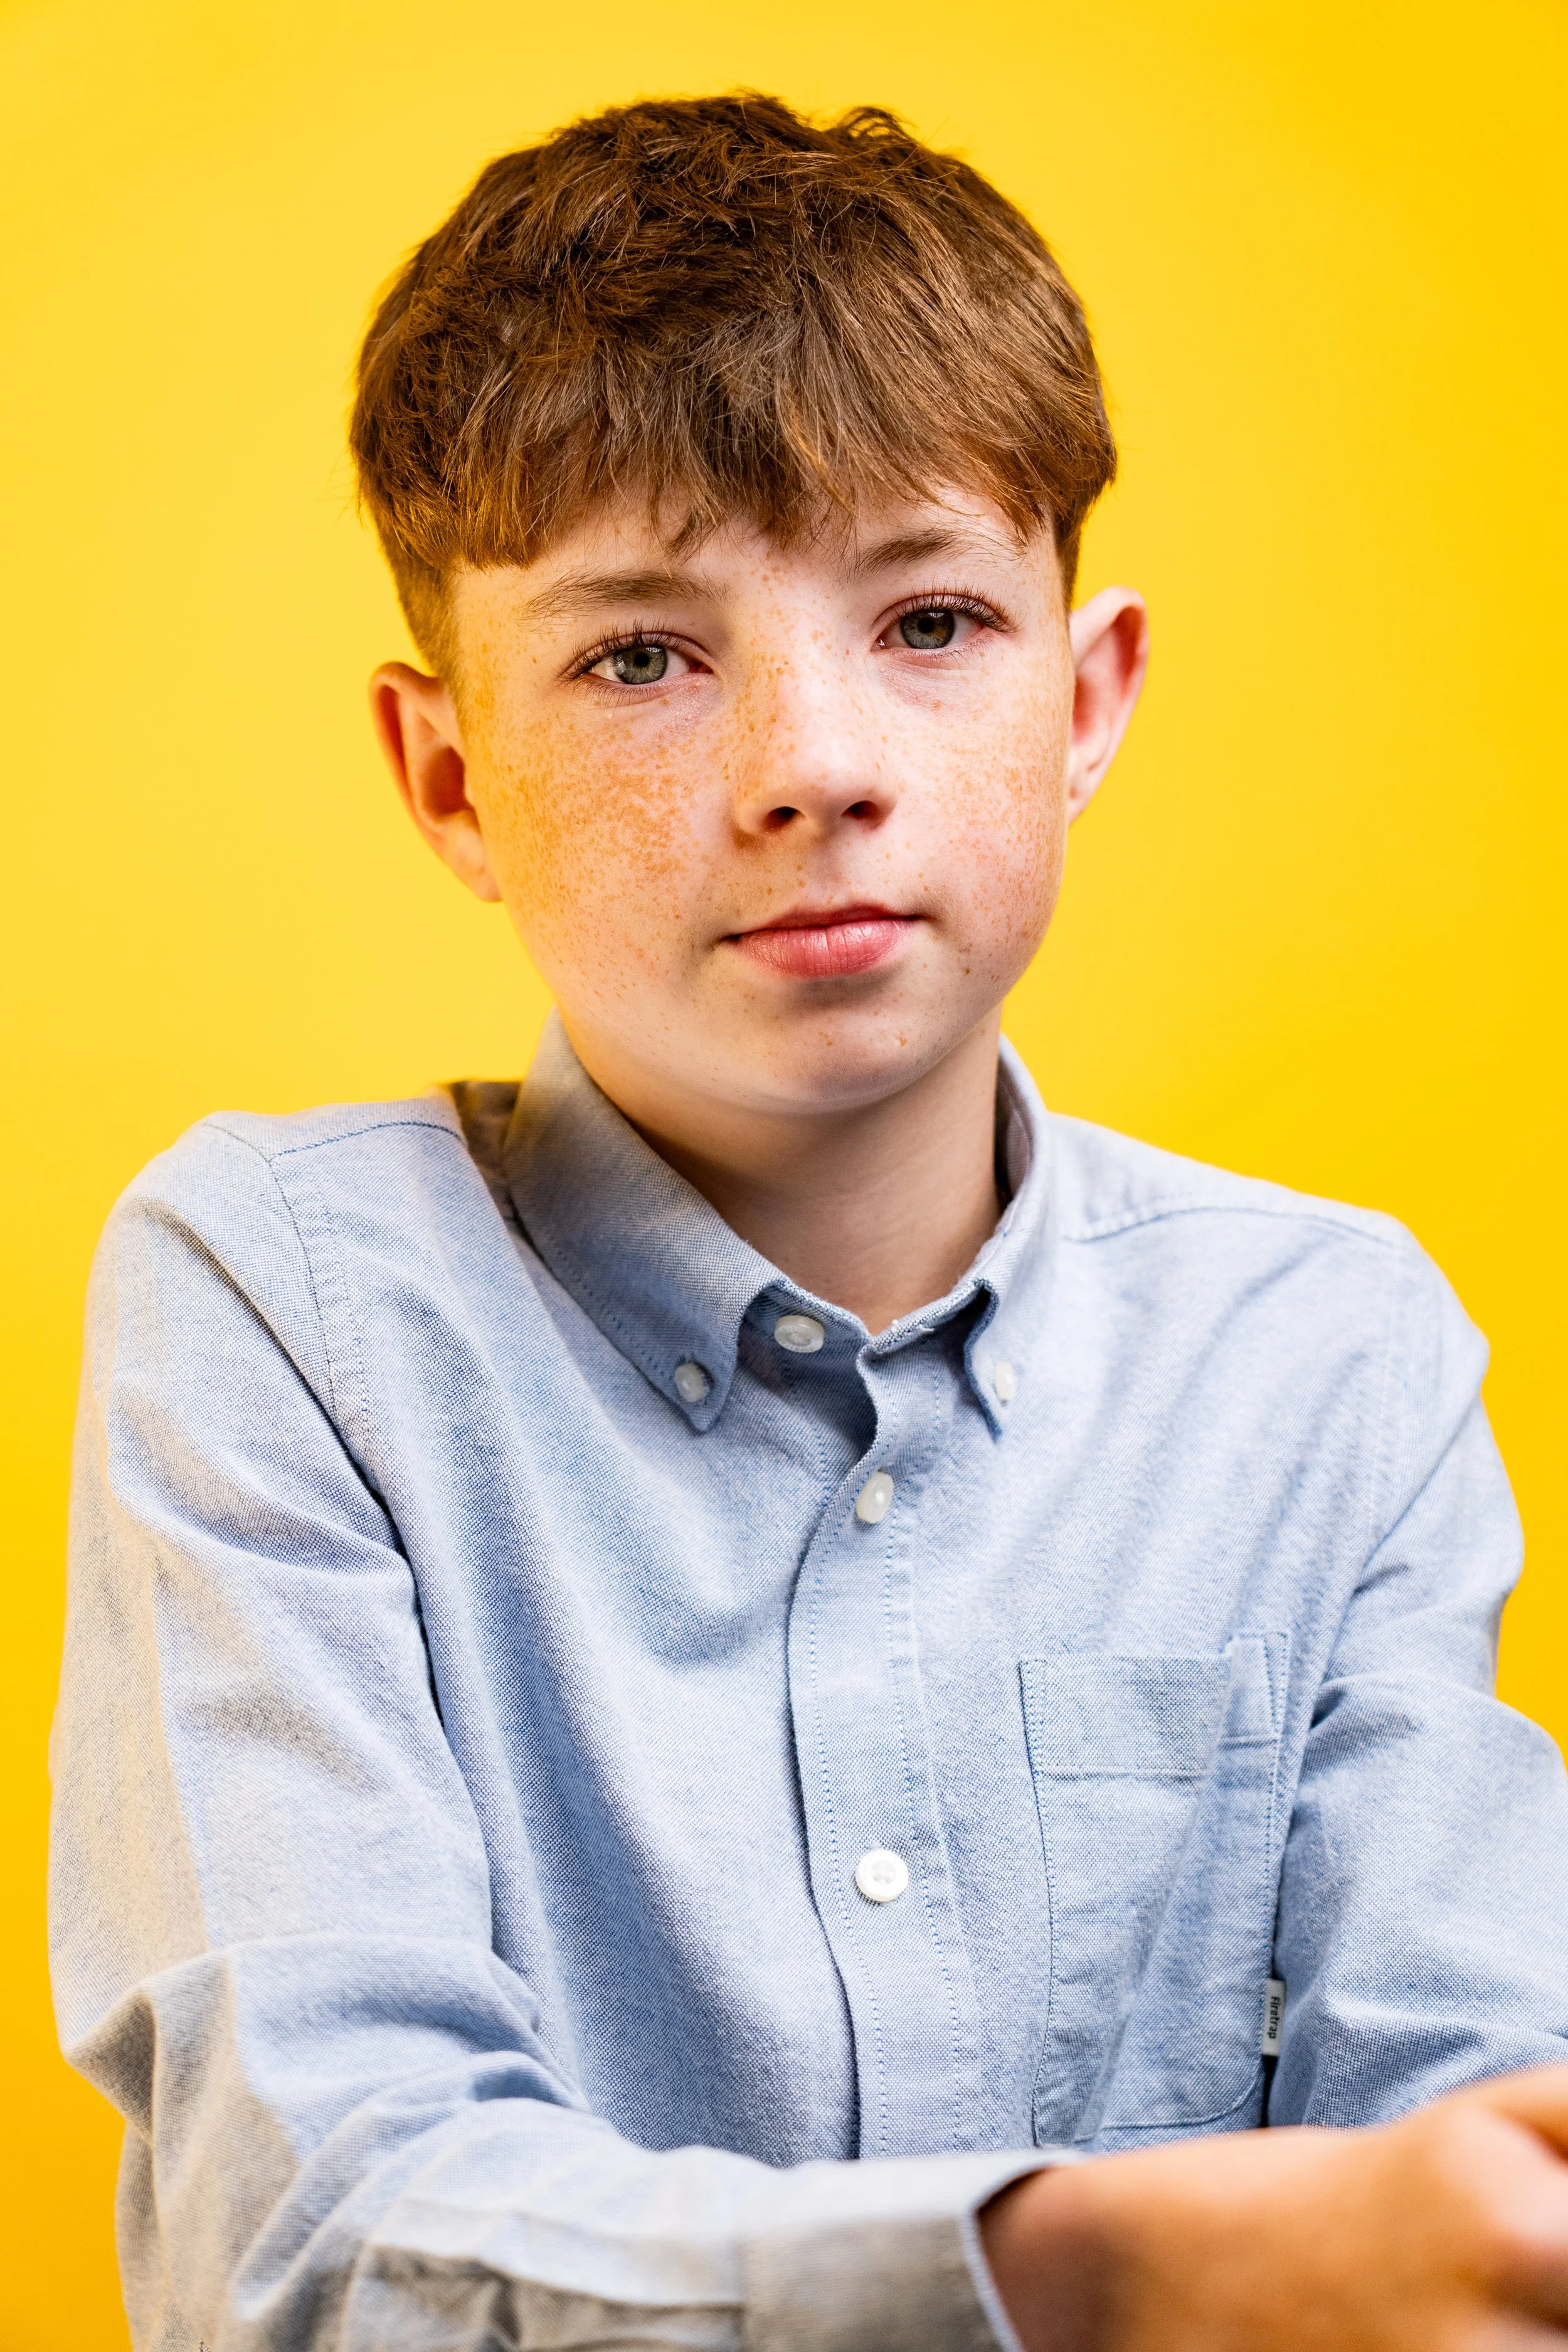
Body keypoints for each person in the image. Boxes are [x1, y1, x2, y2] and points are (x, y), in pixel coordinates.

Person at [50, 90, 1568, 2352]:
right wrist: (1102, 2264)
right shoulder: (283, 1298)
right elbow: (313, 2241)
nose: (810, 760)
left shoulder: (1325, 1352)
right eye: (642, 655)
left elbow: (1462, 2133)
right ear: (449, 773)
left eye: (932, 615)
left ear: (1085, 694)